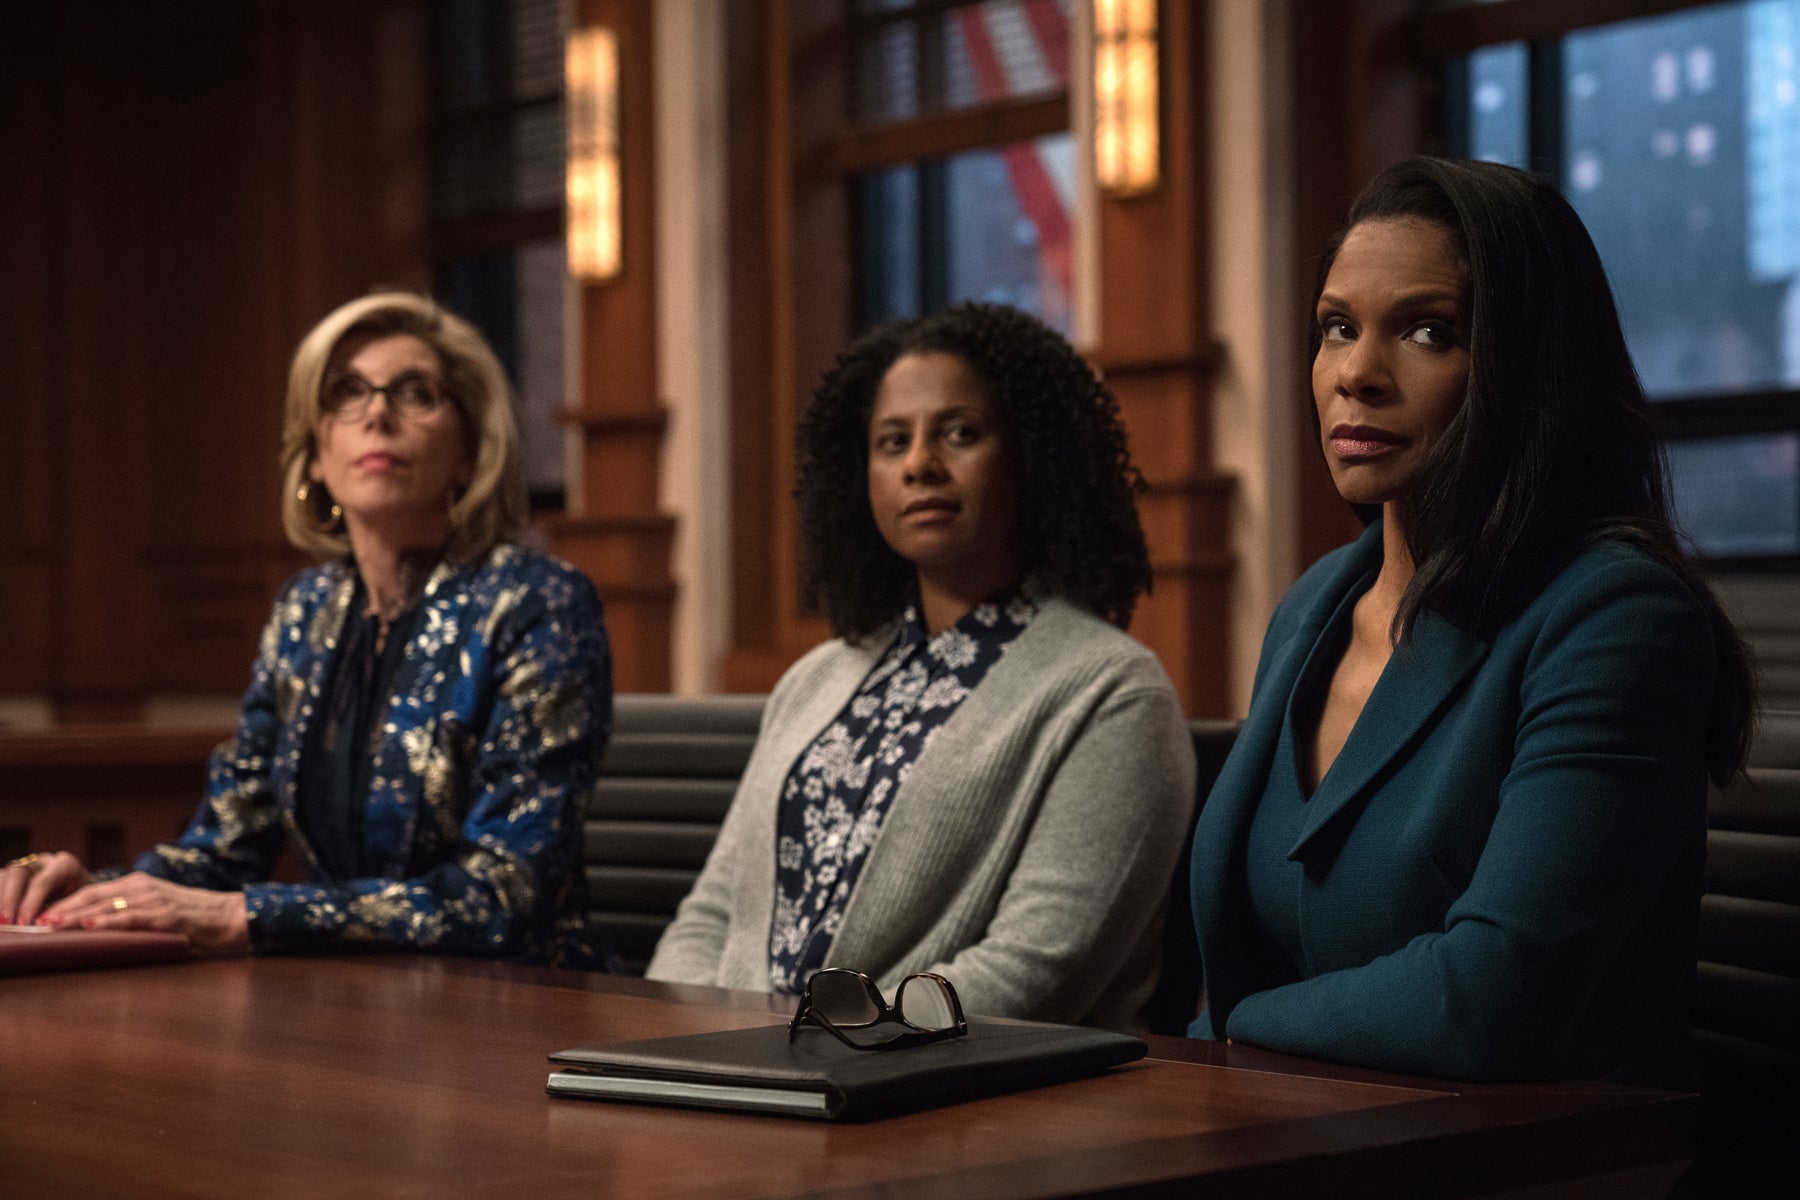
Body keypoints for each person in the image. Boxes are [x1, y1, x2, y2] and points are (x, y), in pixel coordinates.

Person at [1188, 157, 1753, 1084]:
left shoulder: (1615, 618)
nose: (1357, 374)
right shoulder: (1314, 606)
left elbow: (1490, 1000)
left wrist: (1234, 1030)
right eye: (1337, 328)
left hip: (1542, 1161)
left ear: (1528, 367)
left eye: (1426, 332)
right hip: (1290, 1132)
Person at [0, 292, 612, 966]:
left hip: (525, 1004)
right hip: (350, 998)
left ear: (468, 449)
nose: (378, 413)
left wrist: (249, 915)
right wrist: (98, 893)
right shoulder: (305, 611)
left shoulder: (538, 603)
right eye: (346, 392)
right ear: (317, 453)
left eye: (416, 393)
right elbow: (226, 846)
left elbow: (502, 892)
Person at [647, 302, 1196, 1027]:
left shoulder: (1112, 694)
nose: (920, 465)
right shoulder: (814, 681)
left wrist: (815, 1047)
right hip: (741, 1079)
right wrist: (676, 1041)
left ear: (1033, 455)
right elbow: (712, 914)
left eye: (960, 434)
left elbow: (1037, 964)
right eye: (891, 441)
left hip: (951, 1106)